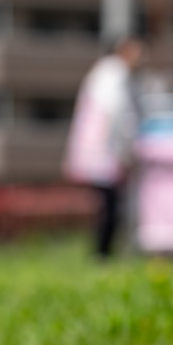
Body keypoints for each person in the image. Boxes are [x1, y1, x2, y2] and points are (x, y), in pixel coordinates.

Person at [63, 36, 145, 259]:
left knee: (107, 204)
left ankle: (103, 252)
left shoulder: (105, 73)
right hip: (105, 149)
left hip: (100, 149)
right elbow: (119, 114)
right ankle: (102, 253)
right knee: (110, 205)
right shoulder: (115, 75)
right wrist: (126, 148)